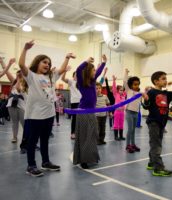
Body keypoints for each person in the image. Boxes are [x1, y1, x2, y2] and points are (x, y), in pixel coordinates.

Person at [19, 40, 75, 177]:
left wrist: (67, 58)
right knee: (32, 141)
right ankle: (31, 165)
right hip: (34, 115)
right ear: (37, 63)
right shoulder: (31, 76)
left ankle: (45, 162)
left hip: (49, 114)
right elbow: (21, 64)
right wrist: (25, 49)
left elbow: (61, 70)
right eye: (44, 62)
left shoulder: (50, 77)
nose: (47, 64)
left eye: (48, 63)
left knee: (45, 140)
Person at [73, 55, 107, 169]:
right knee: (84, 137)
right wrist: (86, 61)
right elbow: (78, 70)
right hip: (83, 112)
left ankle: (91, 157)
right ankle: (83, 160)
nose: (95, 72)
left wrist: (104, 62)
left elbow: (99, 71)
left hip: (91, 112)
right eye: (93, 70)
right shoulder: (82, 83)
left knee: (93, 135)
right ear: (88, 72)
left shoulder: (93, 82)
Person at [142, 71, 172, 176]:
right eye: (163, 79)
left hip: (162, 122)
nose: (166, 81)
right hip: (154, 122)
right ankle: (158, 168)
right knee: (156, 145)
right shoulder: (151, 92)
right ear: (156, 81)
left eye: (166, 78)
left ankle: (152, 163)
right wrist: (146, 100)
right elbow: (146, 106)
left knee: (155, 143)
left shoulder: (165, 93)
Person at [124, 69, 144, 153]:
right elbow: (125, 81)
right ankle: (128, 145)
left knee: (134, 130)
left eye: (138, 84)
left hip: (136, 113)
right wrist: (126, 73)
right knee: (130, 129)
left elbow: (141, 103)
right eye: (135, 84)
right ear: (131, 85)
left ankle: (133, 144)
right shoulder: (129, 91)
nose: (136, 86)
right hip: (129, 112)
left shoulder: (139, 93)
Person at [61, 67, 82, 139]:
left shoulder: (81, 82)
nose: (77, 76)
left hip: (81, 102)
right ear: (73, 76)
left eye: (78, 74)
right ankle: (73, 133)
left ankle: (79, 132)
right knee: (75, 118)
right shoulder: (71, 81)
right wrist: (65, 71)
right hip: (74, 102)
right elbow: (62, 79)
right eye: (75, 75)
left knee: (81, 118)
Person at [112, 75, 126, 141]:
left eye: (122, 90)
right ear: (118, 90)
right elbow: (114, 88)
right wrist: (114, 80)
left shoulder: (124, 95)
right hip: (117, 112)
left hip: (122, 112)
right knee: (116, 124)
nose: (122, 91)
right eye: (120, 90)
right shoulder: (116, 94)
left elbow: (125, 86)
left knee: (121, 124)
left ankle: (121, 136)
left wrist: (125, 75)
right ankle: (115, 137)